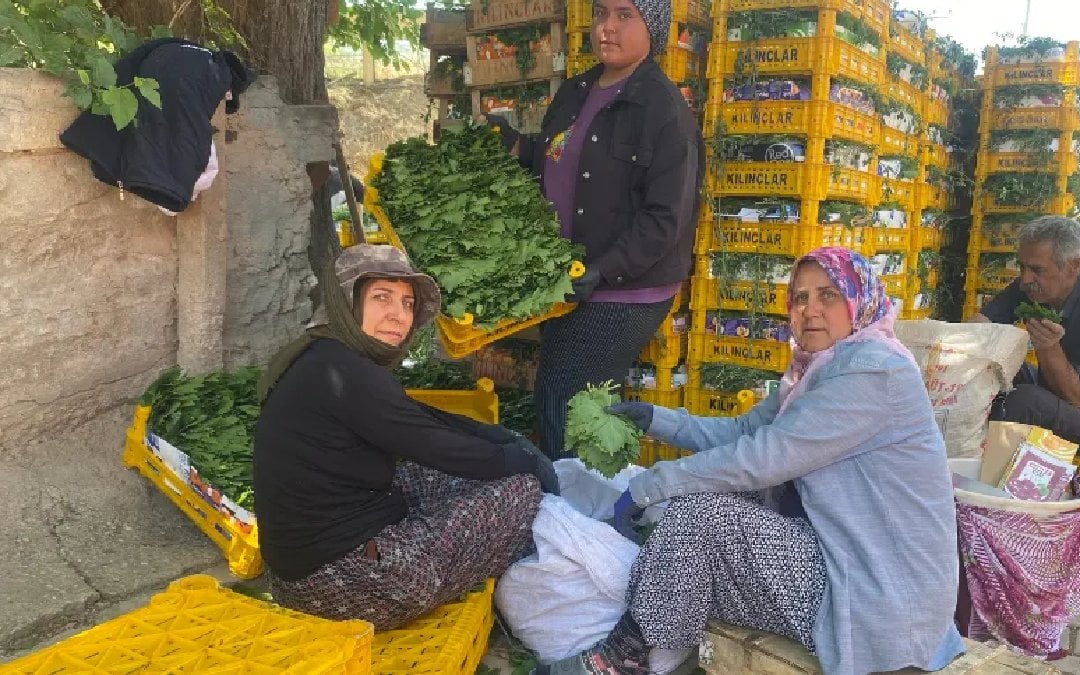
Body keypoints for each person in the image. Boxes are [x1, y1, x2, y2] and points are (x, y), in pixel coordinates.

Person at [538, 248, 964, 675]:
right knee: (690, 526)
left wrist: (650, 485)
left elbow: (762, 459)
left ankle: (625, 658)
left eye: (828, 296)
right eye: (799, 298)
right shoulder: (819, 369)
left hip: (880, 587)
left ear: (859, 301)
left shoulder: (873, 372)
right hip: (839, 555)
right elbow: (744, 434)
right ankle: (646, 647)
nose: (810, 311)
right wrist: (656, 418)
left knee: (699, 517)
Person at [253, 244, 559, 628]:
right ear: (347, 302)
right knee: (521, 489)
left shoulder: (323, 357)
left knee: (462, 473)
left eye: (407, 304)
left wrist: (499, 436)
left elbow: (417, 418)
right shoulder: (344, 373)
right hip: (343, 586)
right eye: (382, 298)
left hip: (300, 574)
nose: (398, 316)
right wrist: (527, 461)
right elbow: (437, 445)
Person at [486, 0, 701, 460]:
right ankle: (577, 509)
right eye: (602, 13)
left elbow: (665, 219)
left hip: (623, 290)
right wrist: (518, 146)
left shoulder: (662, 110)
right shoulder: (576, 91)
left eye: (625, 15)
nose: (607, 27)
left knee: (566, 405)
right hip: (572, 280)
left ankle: (574, 515)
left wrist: (601, 271)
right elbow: (557, 162)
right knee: (569, 403)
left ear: (654, 27)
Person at [967, 216, 1080, 462]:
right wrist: (955, 349)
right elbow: (980, 326)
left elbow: (1077, 397)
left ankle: (982, 472)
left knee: (1024, 402)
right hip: (1057, 394)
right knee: (993, 365)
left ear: (1074, 266)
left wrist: (1048, 347)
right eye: (1022, 267)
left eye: (1036, 269)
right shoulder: (1033, 286)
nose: (1025, 279)